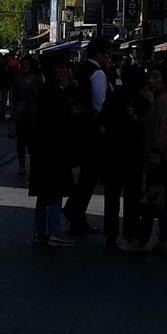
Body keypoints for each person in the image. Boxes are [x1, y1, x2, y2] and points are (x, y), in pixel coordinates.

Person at [122, 63, 167, 257]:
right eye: (150, 77)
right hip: (159, 158)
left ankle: (144, 239)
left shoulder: (164, 101)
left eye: (156, 77)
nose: (151, 80)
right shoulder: (160, 100)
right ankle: (162, 240)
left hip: (161, 160)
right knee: (158, 201)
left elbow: (163, 130)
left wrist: (155, 152)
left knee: (154, 200)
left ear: (165, 81)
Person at [63, 36, 112, 234]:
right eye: (107, 54)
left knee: (86, 174)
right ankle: (75, 211)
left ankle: (76, 213)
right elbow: (99, 105)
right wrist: (103, 128)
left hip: (78, 128)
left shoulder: (80, 70)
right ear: (99, 54)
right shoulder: (98, 74)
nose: (109, 58)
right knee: (90, 175)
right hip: (92, 131)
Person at [28, 54, 75, 246]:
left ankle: (41, 230)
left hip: (43, 150)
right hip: (53, 150)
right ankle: (54, 230)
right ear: (50, 69)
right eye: (58, 67)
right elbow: (61, 123)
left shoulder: (48, 89)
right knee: (54, 192)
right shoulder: (55, 92)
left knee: (44, 193)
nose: (63, 70)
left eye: (64, 66)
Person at [102, 63, 147, 249]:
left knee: (112, 195)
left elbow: (102, 118)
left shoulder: (113, 97)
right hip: (134, 153)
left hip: (113, 150)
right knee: (132, 196)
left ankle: (111, 233)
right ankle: (130, 232)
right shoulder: (143, 102)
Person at [12, 56, 41, 174]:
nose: (24, 67)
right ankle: (22, 165)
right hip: (21, 114)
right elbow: (15, 98)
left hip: (34, 114)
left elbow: (41, 97)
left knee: (33, 143)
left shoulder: (38, 80)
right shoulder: (18, 81)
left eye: (26, 64)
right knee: (21, 142)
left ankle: (33, 165)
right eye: (23, 64)